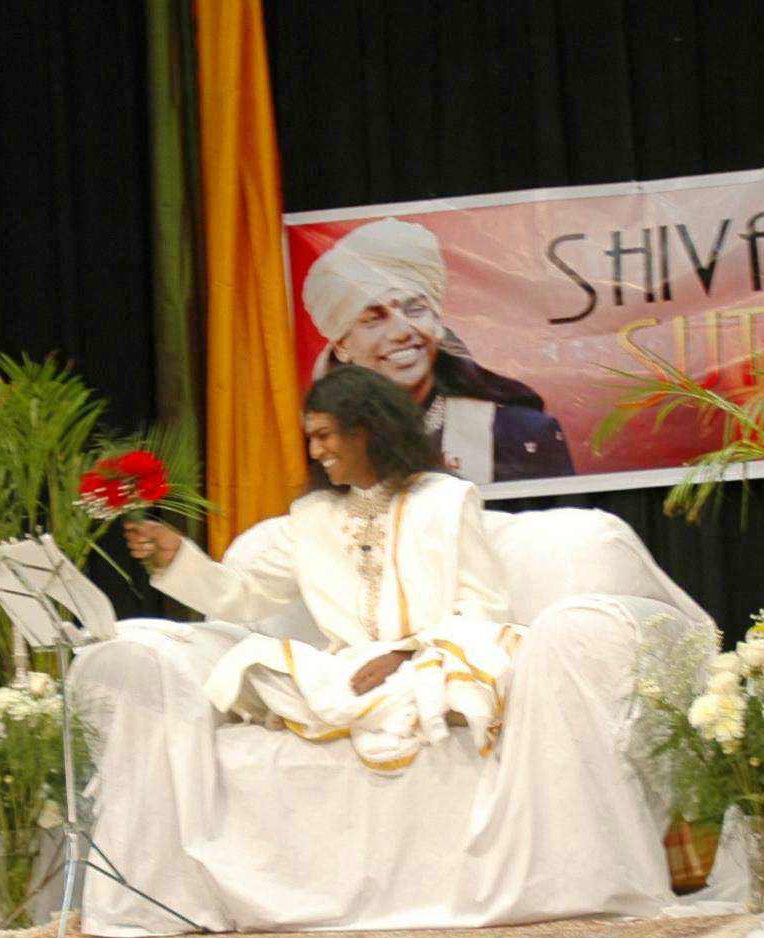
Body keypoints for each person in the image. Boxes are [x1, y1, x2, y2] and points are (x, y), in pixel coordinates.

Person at [121, 364, 517, 771]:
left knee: (462, 676)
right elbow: (245, 595)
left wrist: (404, 653)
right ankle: (374, 712)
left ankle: (387, 710)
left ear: (365, 431)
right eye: (310, 438)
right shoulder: (313, 516)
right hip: (352, 672)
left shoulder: (446, 500)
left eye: (324, 436)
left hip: (432, 661)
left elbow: (485, 607)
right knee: (252, 664)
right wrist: (177, 559)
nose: (314, 452)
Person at [304, 217, 575, 484]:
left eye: (415, 309)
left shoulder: (519, 433)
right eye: (374, 319)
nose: (401, 332)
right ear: (342, 346)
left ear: (436, 322)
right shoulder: (328, 445)